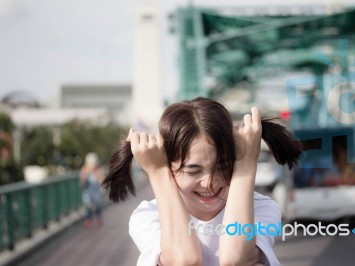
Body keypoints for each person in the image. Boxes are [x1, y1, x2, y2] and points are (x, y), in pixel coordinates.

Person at [103, 97, 302, 265]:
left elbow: (235, 259)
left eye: (223, 166)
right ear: (169, 166)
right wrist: (158, 172)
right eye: (193, 170)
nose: (209, 183)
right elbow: (184, 261)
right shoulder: (147, 216)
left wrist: (246, 164)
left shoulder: (262, 208)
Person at [80, 152, 104, 228]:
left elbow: (102, 179)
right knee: (88, 205)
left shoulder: (98, 169)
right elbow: (82, 181)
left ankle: (98, 216)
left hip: (96, 191)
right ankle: (89, 219)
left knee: (98, 205)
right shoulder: (84, 169)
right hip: (88, 191)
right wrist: (87, 172)